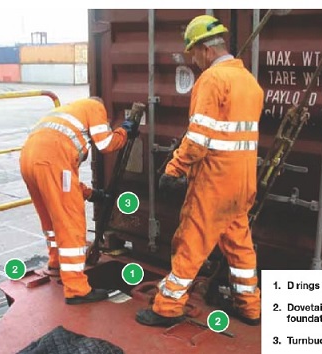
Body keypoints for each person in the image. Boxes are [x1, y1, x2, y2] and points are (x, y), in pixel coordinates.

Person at [136, 14, 263, 327]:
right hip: (243, 182)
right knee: (239, 244)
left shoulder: (212, 80)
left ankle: (166, 308)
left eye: (192, 53)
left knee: (191, 242)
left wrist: (175, 167)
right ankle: (250, 307)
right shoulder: (249, 82)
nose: (193, 61)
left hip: (215, 181)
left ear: (205, 49)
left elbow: (198, 137)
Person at [20, 97, 138, 305]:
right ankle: (76, 289)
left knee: (50, 218)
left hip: (28, 159)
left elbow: (65, 181)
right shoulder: (95, 106)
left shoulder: (68, 116)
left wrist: (93, 194)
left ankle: (56, 262)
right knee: (70, 223)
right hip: (50, 161)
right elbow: (106, 144)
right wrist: (124, 131)